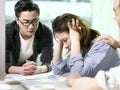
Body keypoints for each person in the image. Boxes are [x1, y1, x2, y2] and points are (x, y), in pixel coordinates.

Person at [66, 0, 120, 90]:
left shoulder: (102, 46)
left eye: (116, 13)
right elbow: (57, 69)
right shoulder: (88, 47)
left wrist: (75, 41)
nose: (114, 18)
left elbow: (79, 76)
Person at [51, 13, 120, 77]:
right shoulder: (81, 49)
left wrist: (75, 40)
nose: (65, 46)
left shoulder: (103, 46)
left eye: (65, 40)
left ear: (77, 33)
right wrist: (59, 42)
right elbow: (57, 71)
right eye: (62, 42)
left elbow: (77, 76)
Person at [6, 0, 53, 76]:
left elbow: (48, 61)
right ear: (17, 20)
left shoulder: (45, 32)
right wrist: (21, 70)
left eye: (35, 21)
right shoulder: (6, 32)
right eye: (26, 22)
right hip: (10, 75)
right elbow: (3, 63)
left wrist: (39, 69)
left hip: (30, 75)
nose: (31, 26)